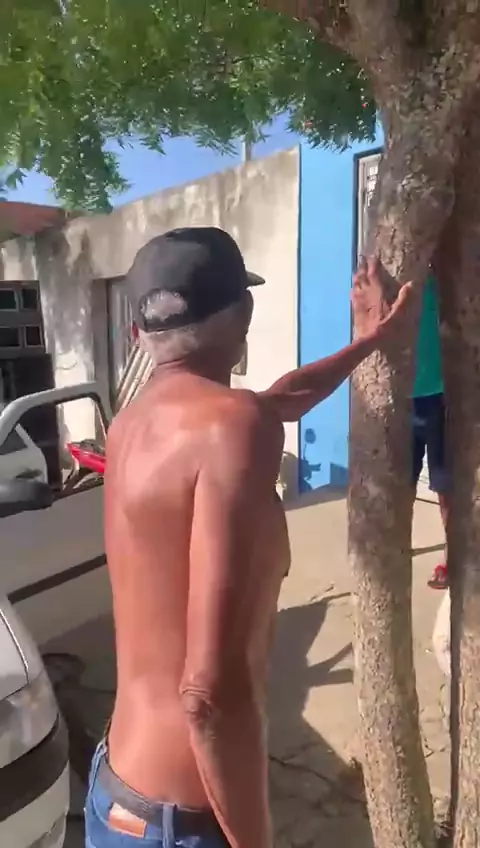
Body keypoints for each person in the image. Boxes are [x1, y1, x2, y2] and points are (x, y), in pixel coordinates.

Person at [83, 231, 411, 848]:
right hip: (182, 820)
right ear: (243, 317)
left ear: (137, 335)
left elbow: (280, 399)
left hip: (115, 790)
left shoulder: (129, 427)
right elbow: (207, 696)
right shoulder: (233, 427)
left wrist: (367, 343)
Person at [411, 274, 449, 589]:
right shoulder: (393, 282)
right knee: (401, 487)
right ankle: (397, 551)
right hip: (401, 402)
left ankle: (450, 559)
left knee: (445, 488)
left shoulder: (446, 285)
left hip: (440, 400)